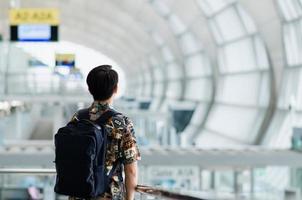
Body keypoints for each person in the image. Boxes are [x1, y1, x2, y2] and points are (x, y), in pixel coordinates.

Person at [69, 65, 141, 200]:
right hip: (108, 195)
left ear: (90, 89)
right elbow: (131, 169)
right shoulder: (121, 122)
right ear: (116, 89)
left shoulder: (78, 117)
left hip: (79, 193)